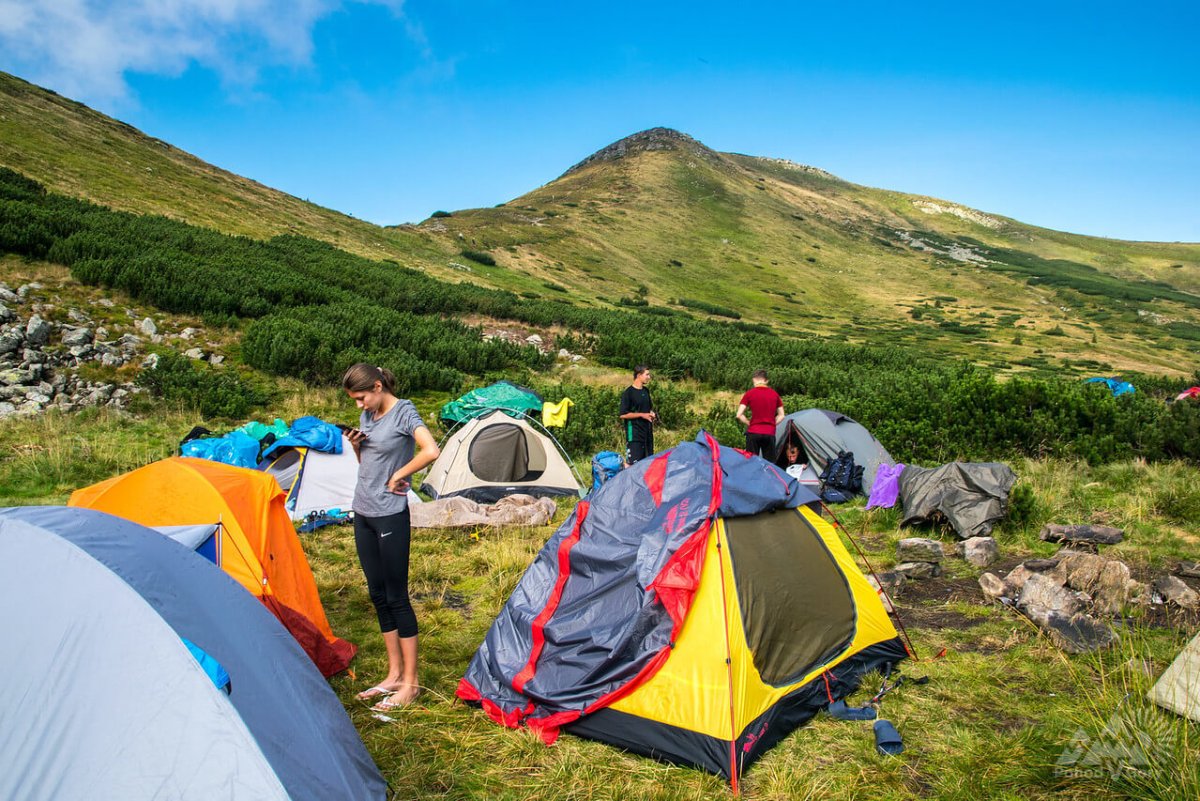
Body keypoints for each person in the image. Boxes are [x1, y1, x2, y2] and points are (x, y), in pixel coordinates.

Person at [342, 363, 440, 711]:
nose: (359, 405)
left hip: (390, 514)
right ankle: (394, 673)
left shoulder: (404, 412)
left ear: (379, 386)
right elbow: (368, 464)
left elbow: (431, 450)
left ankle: (411, 683)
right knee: (377, 593)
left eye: (361, 397)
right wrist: (357, 446)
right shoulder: (370, 415)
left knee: (397, 596)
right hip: (363, 511)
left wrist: (401, 473)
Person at [736, 369, 784, 460]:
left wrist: (748, 422)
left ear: (754, 379)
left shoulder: (749, 394)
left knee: (752, 462)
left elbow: (739, 414)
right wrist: (773, 423)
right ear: (766, 380)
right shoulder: (774, 394)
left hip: (754, 432)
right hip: (769, 433)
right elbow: (782, 415)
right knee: (769, 464)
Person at [619, 365, 656, 464]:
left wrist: (651, 413)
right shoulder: (628, 393)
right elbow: (622, 414)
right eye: (647, 374)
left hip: (647, 434)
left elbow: (648, 409)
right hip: (634, 435)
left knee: (648, 463)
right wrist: (642, 415)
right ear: (639, 375)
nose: (649, 377)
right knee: (634, 465)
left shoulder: (646, 391)